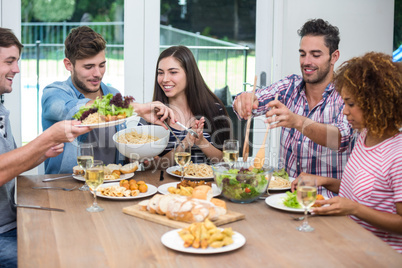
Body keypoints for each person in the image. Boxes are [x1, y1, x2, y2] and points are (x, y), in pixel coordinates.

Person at [0, 27, 91, 268]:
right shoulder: (55, 92)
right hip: (3, 233)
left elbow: (8, 165)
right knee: (67, 259)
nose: (17, 69)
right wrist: (48, 137)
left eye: (17, 61)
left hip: (12, 220)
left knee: (81, 238)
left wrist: (42, 153)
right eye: (10, 61)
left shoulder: (1, 109)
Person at [233, 18, 354, 198]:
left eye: (315, 54)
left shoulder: (346, 95)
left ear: (334, 57)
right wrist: (244, 100)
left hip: (327, 203)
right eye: (302, 54)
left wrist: (298, 121)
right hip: (285, 198)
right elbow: (256, 99)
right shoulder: (290, 86)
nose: (307, 61)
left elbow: (340, 139)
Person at [296, 52, 401, 253]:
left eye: (350, 104)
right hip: (349, 241)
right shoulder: (365, 136)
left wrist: (355, 209)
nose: (344, 111)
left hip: (381, 255)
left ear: (376, 102)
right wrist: (323, 180)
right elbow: (367, 190)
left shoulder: (398, 155)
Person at [41, 26, 175, 174]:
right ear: (68, 65)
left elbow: (117, 153)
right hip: (64, 188)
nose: (97, 73)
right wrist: (137, 108)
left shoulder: (113, 93)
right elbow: (78, 110)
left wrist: (137, 154)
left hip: (111, 187)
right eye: (89, 67)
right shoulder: (54, 94)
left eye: (102, 65)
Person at [152, 45, 231, 167]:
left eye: (173, 72)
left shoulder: (214, 110)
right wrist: (185, 143)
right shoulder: (151, 115)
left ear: (189, 74)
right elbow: (151, 167)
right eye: (160, 73)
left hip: (207, 186)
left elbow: (227, 163)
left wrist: (202, 142)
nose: (165, 79)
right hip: (164, 186)